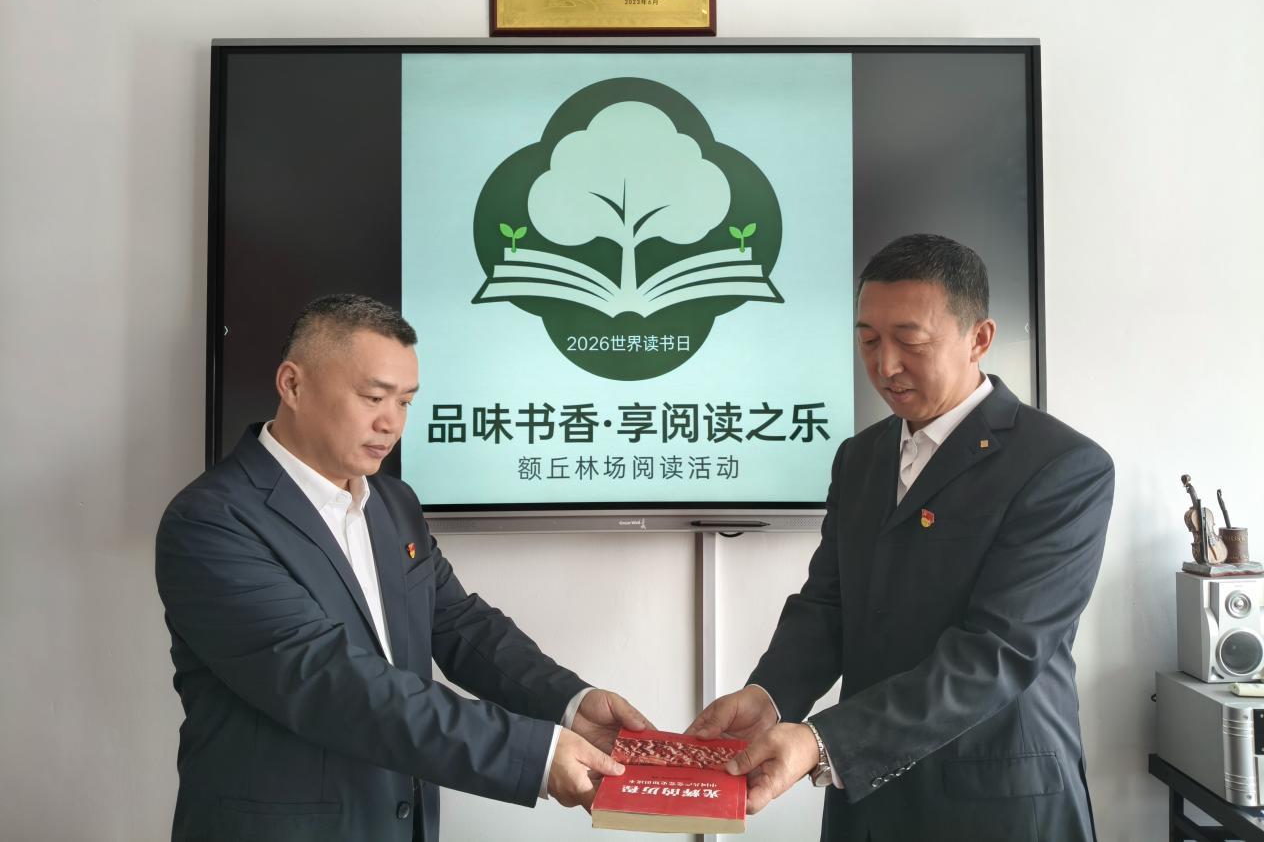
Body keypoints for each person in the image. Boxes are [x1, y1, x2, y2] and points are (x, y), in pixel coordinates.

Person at [156, 294, 650, 842]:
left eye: (406, 402)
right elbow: (330, 682)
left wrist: (569, 705)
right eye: (373, 397)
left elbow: (458, 623)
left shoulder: (393, 504)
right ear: (292, 385)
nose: (390, 423)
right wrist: (534, 754)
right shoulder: (211, 521)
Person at [688, 234, 1114, 842]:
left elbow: (998, 651)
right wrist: (771, 696)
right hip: (868, 800)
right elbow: (830, 603)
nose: (885, 366)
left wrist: (823, 740)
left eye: (910, 342)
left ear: (979, 338)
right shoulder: (860, 457)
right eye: (868, 340)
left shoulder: (1061, 466)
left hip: (994, 800)